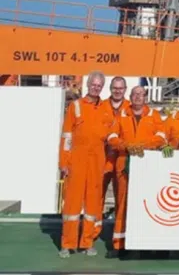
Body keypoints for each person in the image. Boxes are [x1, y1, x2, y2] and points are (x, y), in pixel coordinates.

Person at [58, 71, 114, 258]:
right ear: (88, 85)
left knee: (93, 205)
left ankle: (87, 242)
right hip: (77, 160)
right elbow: (67, 137)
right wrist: (63, 162)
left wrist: (108, 163)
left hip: (97, 161)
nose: (95, 88)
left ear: (102, 87)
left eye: (99, 85)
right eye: (93, 84)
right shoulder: (75, 106)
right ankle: (67, 244)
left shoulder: (106, 109)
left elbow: (111, 137)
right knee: (72, 204)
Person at [105, 86, 167, 257]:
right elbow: (111, 137)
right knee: (122, 204)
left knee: (148, 204)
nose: (138, 97)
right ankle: (119, 244)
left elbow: (161, 137)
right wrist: (126, 146)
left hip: (147, 165)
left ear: (146, 97)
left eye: (141, 94)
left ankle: (146, 243)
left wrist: (142, 146)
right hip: (124, 164)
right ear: (130, 97)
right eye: (135, 94)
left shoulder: (154, 116)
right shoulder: (121, 115)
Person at [94, 76, 130, 241]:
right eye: (115, 88)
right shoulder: (100, 107)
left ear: (125, 89)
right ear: (110, 88)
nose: (117, 91)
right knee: (96, 197)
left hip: (122, 158)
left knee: (122, 198)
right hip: (102, 157)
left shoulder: (130, 108)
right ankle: (93, 233)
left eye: (120, 88)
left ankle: (119, 236)